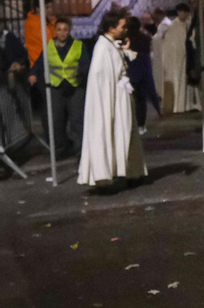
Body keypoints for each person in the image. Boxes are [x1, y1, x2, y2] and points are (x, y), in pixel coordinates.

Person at [78, 11, 146, 189]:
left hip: (121, 96)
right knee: (117, 133)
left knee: (125, 133)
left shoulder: (111, 44)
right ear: (111, 28)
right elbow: (102, 79)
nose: (125, 30)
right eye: (122, 27)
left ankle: (128, 171)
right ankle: (111, 175)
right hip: (114, 99)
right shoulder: (102, 48)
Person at [33, 18, 86, 155]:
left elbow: (86, 64)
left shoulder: (78, 45)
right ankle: (61, 148)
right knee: (56, 120)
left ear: (69, 31)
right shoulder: (49, 46)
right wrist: (33, 74)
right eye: (59, 29)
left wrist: (79, 72)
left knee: (76, 120)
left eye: (65, 30)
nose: (62, 33)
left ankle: (80, 149)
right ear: (55, 31)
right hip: (56, 87)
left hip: (74, 87)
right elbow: (40, 63)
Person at [123, 10, 161, 133]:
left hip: (128, 72)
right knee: (141, 100)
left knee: (127, 102)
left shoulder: (124, 39)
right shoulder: (145, 38)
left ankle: (129, 125)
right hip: (142, 70)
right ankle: (141, 125)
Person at [156, 6, 191, 114]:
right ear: (179, 12)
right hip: (175, 59)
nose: (185, 15)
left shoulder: (185, 24)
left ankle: (184, 105)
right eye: (183, 12)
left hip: (182, 58)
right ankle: (179, 106)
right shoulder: (172, 26)